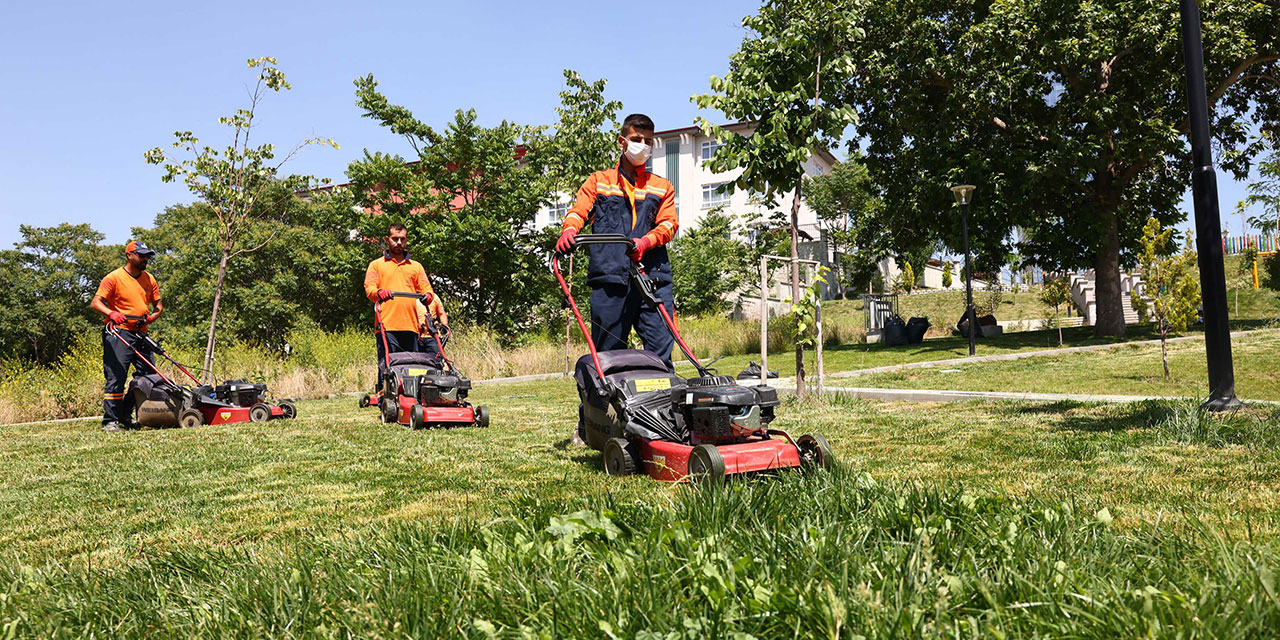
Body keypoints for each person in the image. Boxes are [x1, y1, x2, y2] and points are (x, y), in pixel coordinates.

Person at [555, 113, 679, 368]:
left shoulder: (661, 186)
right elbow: (579, 212)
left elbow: (669, 225)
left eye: (647, 141)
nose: (642, 145)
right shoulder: (599, 182)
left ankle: (661, 404)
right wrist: (569, 231)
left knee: (661, 355)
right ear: (622, 141)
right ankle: (609, 407)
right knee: (608, 357)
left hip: (653, 281)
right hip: (611, 281)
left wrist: (645, 243)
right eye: (636, 139)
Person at [89, 240, 162, 432]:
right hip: (118, 333)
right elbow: (95, 303)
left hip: (140, 333)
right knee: (116, 377)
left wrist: (151, 319)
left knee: (148, 376)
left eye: (147, 256)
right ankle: (110, 421)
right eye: (142, 255)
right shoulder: (113, 278)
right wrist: (111, 313)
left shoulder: (149, 279)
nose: (146, 259)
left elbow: (158, 307)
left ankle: (124, 413)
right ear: (129, 255)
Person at [364, 223, 436, 389]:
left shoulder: (415, 266)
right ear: (387, 239)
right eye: (395, 239)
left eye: (402, 239)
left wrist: (428, 296)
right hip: (387, 325)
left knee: (413, 366)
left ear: (406, 240)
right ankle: (385, 399)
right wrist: (379, 292)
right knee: (387, 365)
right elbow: (369, 288)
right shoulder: (376, 265)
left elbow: (426, 288)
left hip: (410, 326)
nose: (398, 242)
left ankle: (410, 396)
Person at [415, 294, 449, 360]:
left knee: (436, 361)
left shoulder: (434, 297)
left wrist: (445, 327)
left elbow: (441, 313)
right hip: (416, 337)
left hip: (433, 337)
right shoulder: (412, 298)